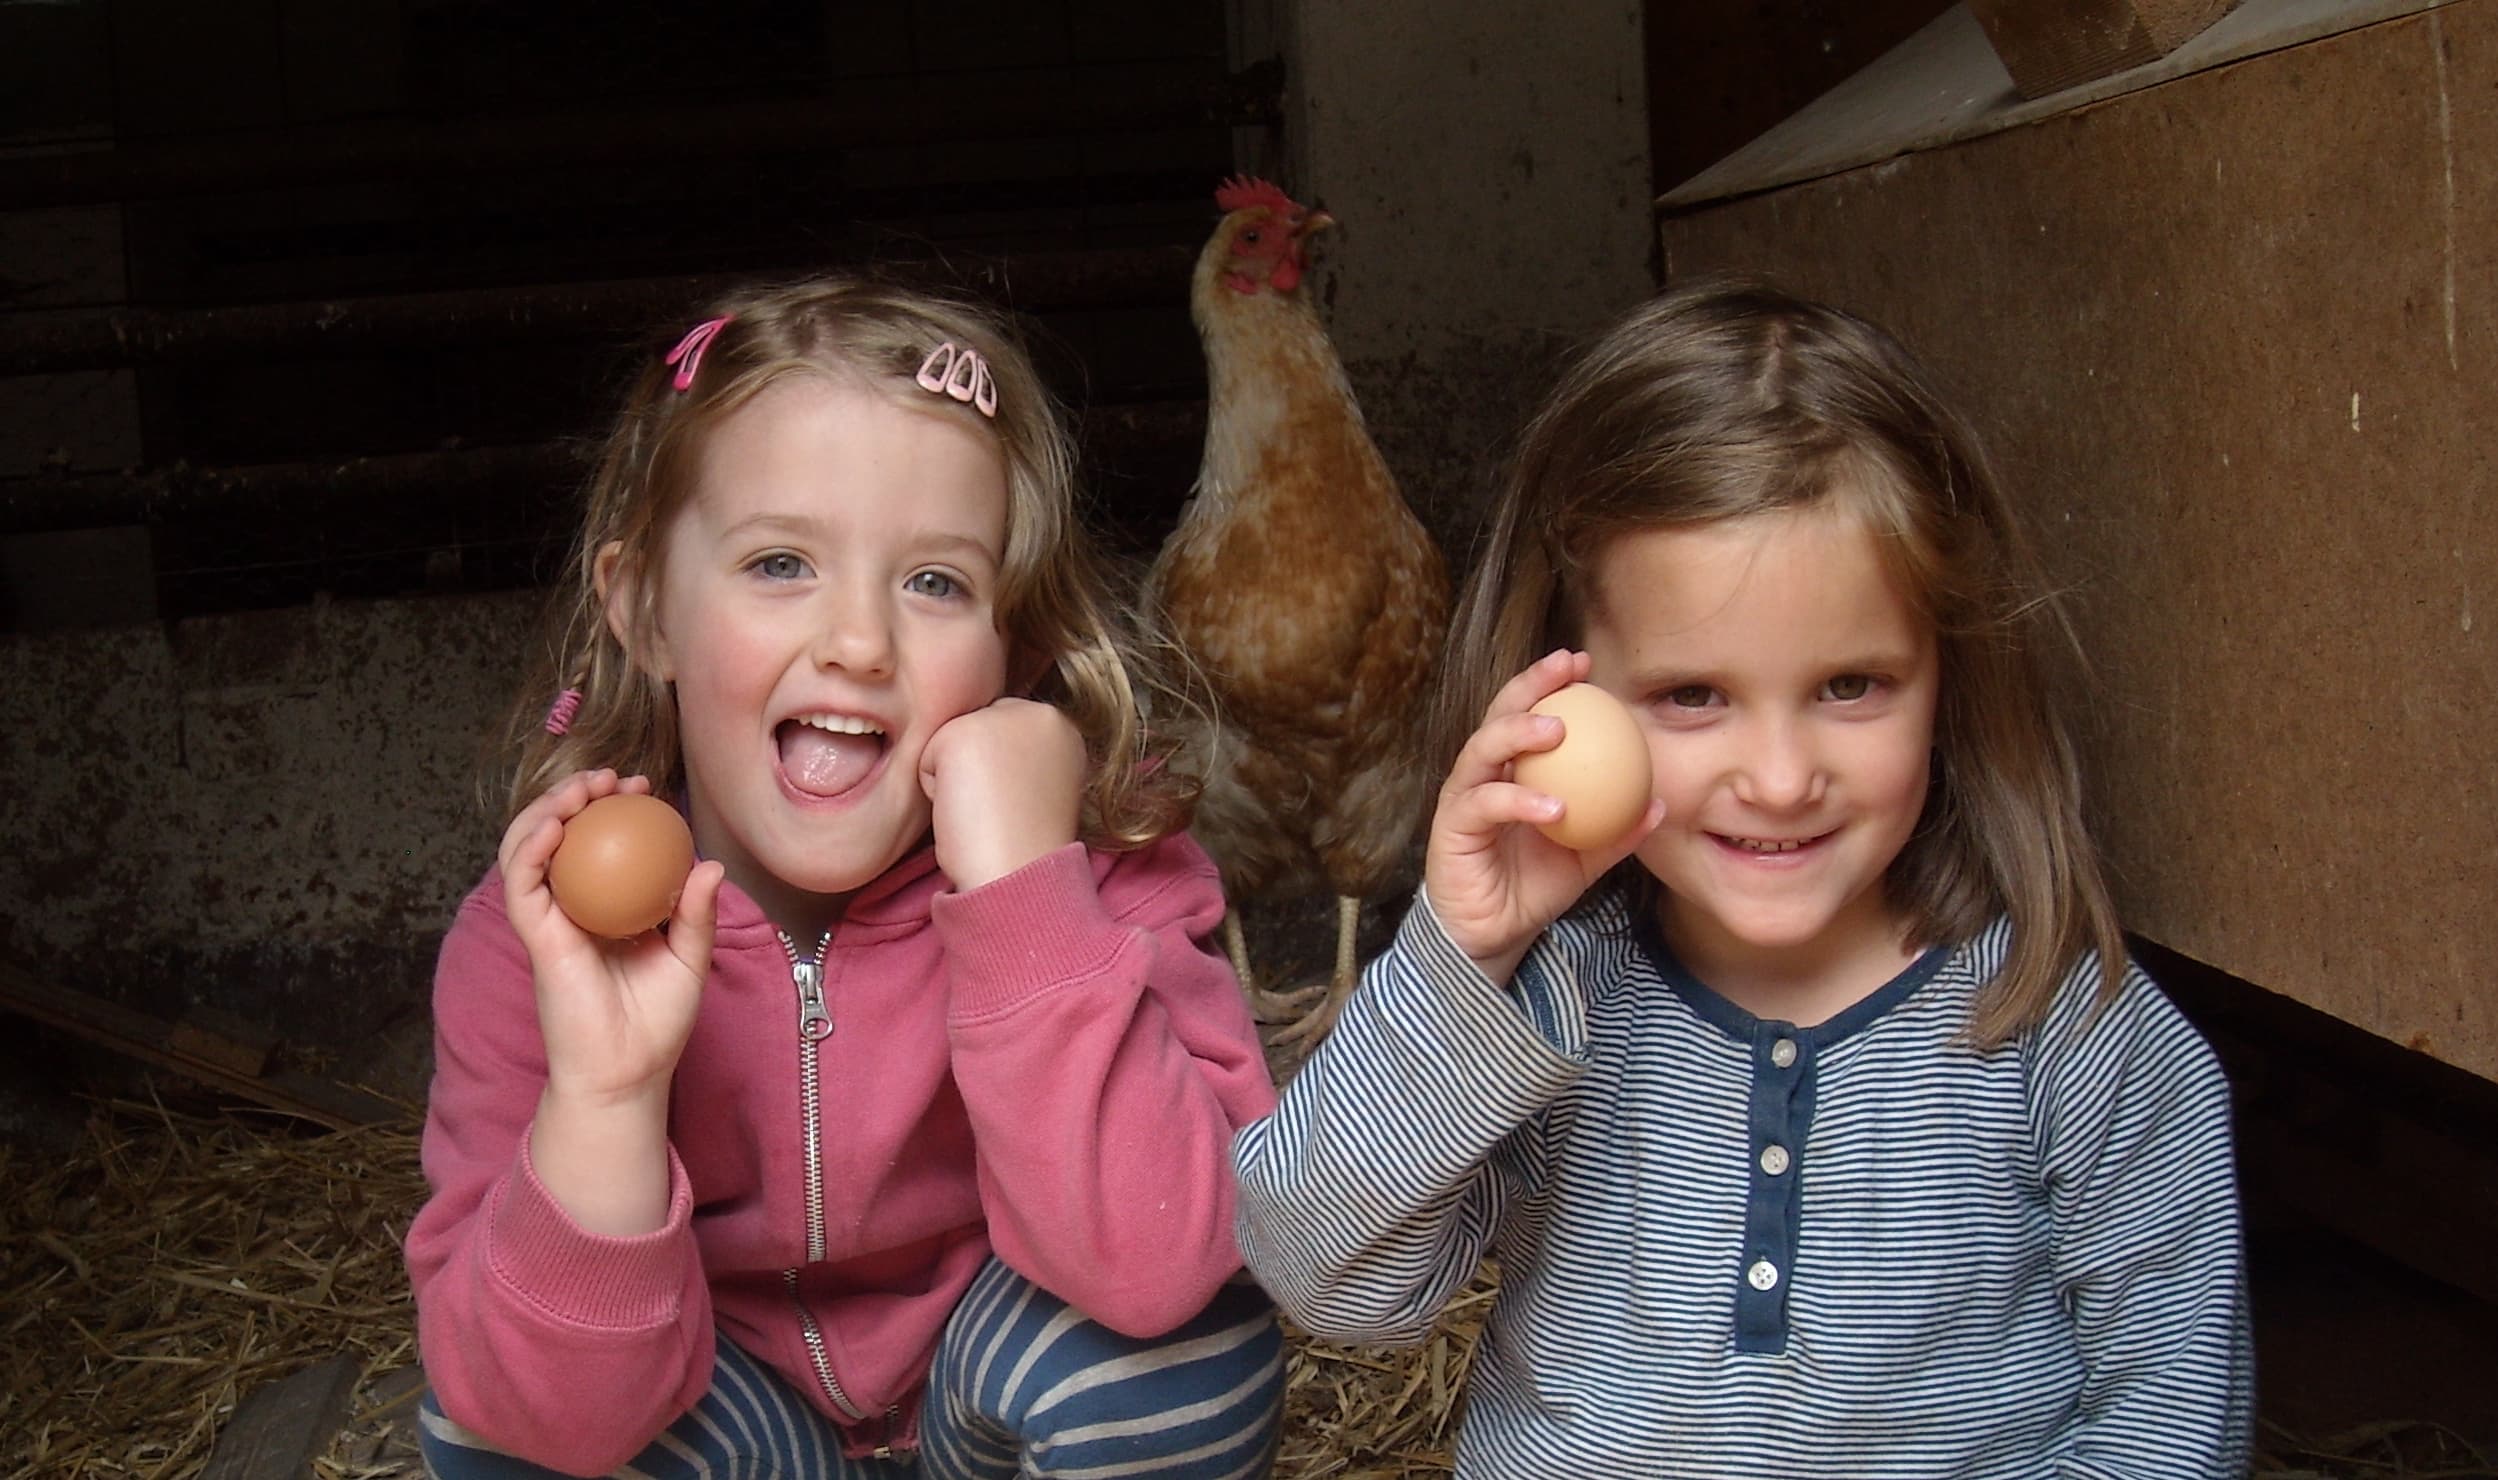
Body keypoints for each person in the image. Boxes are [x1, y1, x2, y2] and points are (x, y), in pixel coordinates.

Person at [1231, 279, 2252, 1477]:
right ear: (1564, 692)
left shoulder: (2059, 1025)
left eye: (1850, 685)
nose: (1777, 778)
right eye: (1692, 695)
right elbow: (1320, 1274)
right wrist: (1459, 958)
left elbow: (2172, 1409)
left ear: (1947, 677)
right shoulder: (1543, 1005)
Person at [406, 277, 1285, 1479]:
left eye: (936, 582)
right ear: (645, 610)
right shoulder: (536, 946)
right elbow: (545, 1422)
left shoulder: (1110, 886)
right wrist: (604, 1097)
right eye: (779, 563)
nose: (860, 641)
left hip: (989, 1409)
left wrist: (1028, 897)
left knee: (1175, 1347)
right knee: (494, 1397)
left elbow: (1167, 1260)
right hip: (729, 1419)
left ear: (1012, 655)